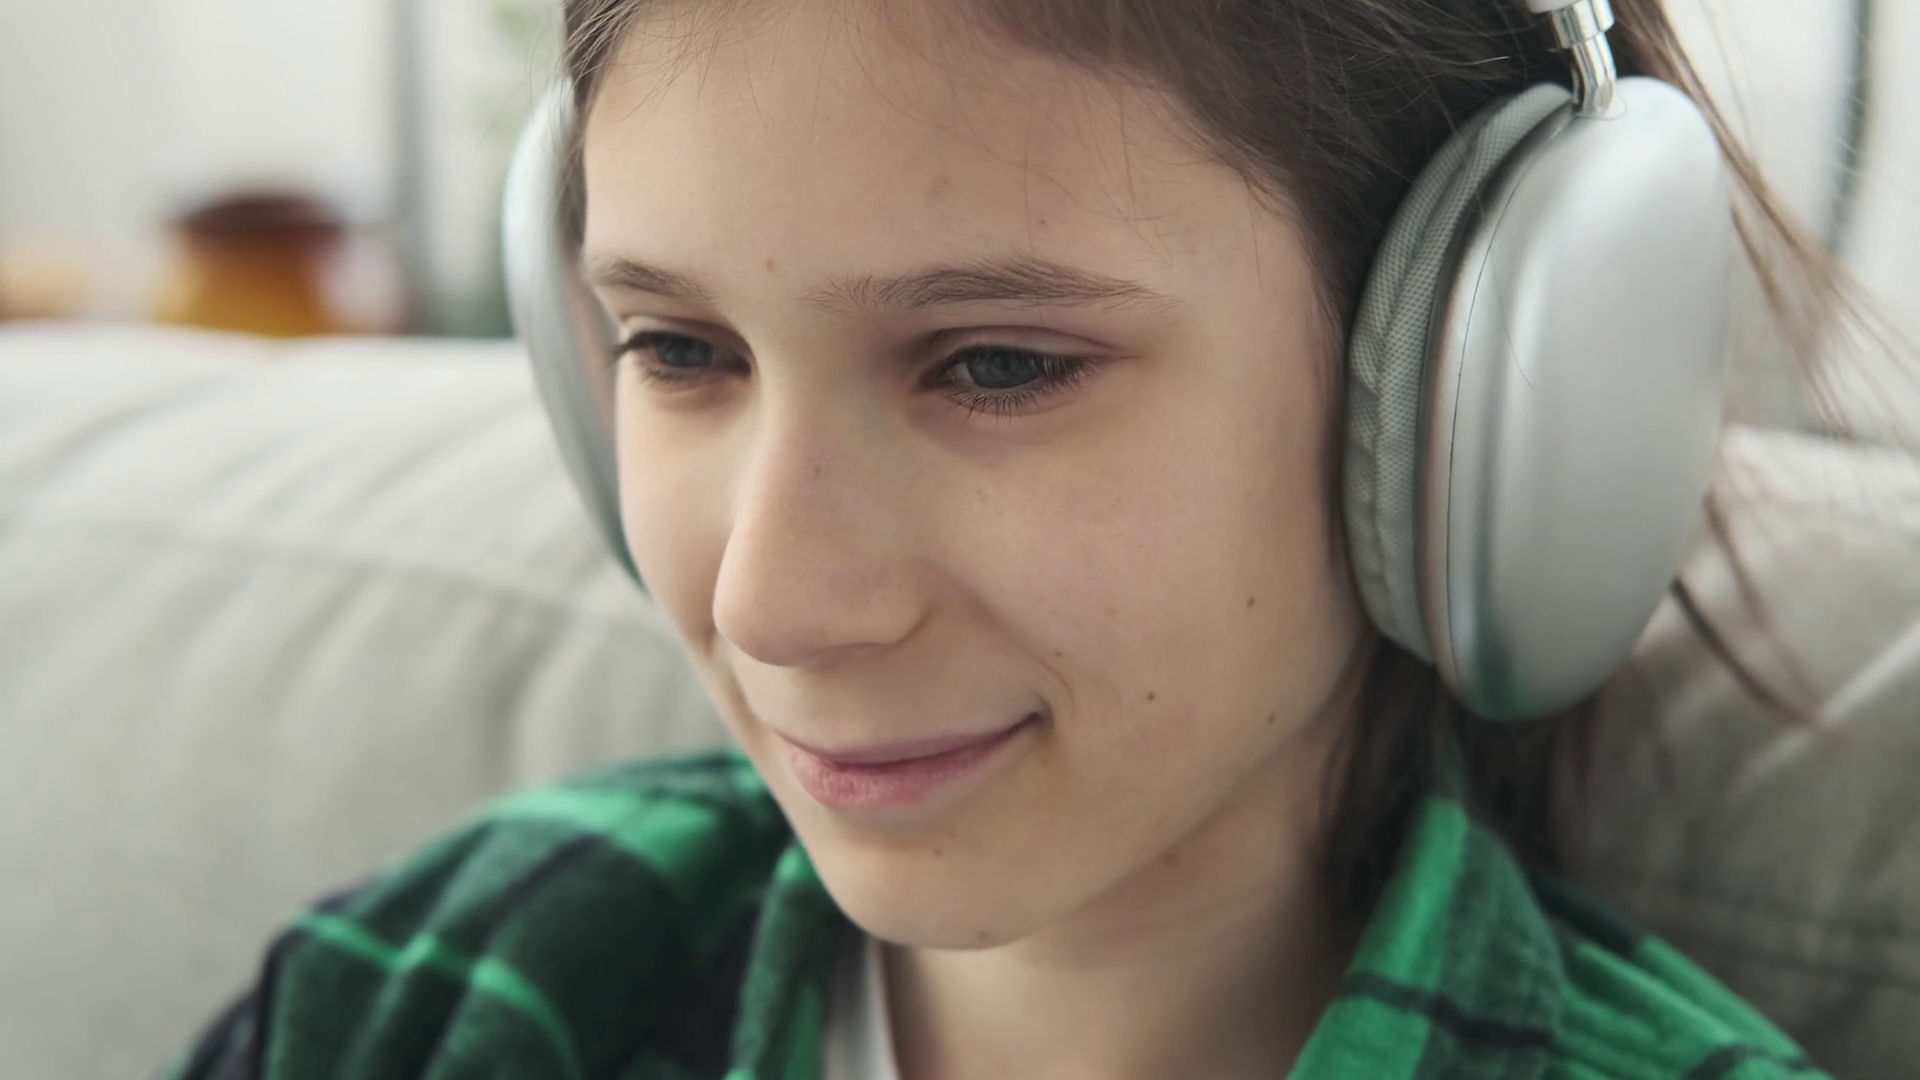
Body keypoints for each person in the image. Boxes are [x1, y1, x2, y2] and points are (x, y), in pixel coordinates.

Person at [169, 0, 1866, 1076]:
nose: (772, 602)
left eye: (997, 364)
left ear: (1482, 413)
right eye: (679, 350)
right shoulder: (422, 995)